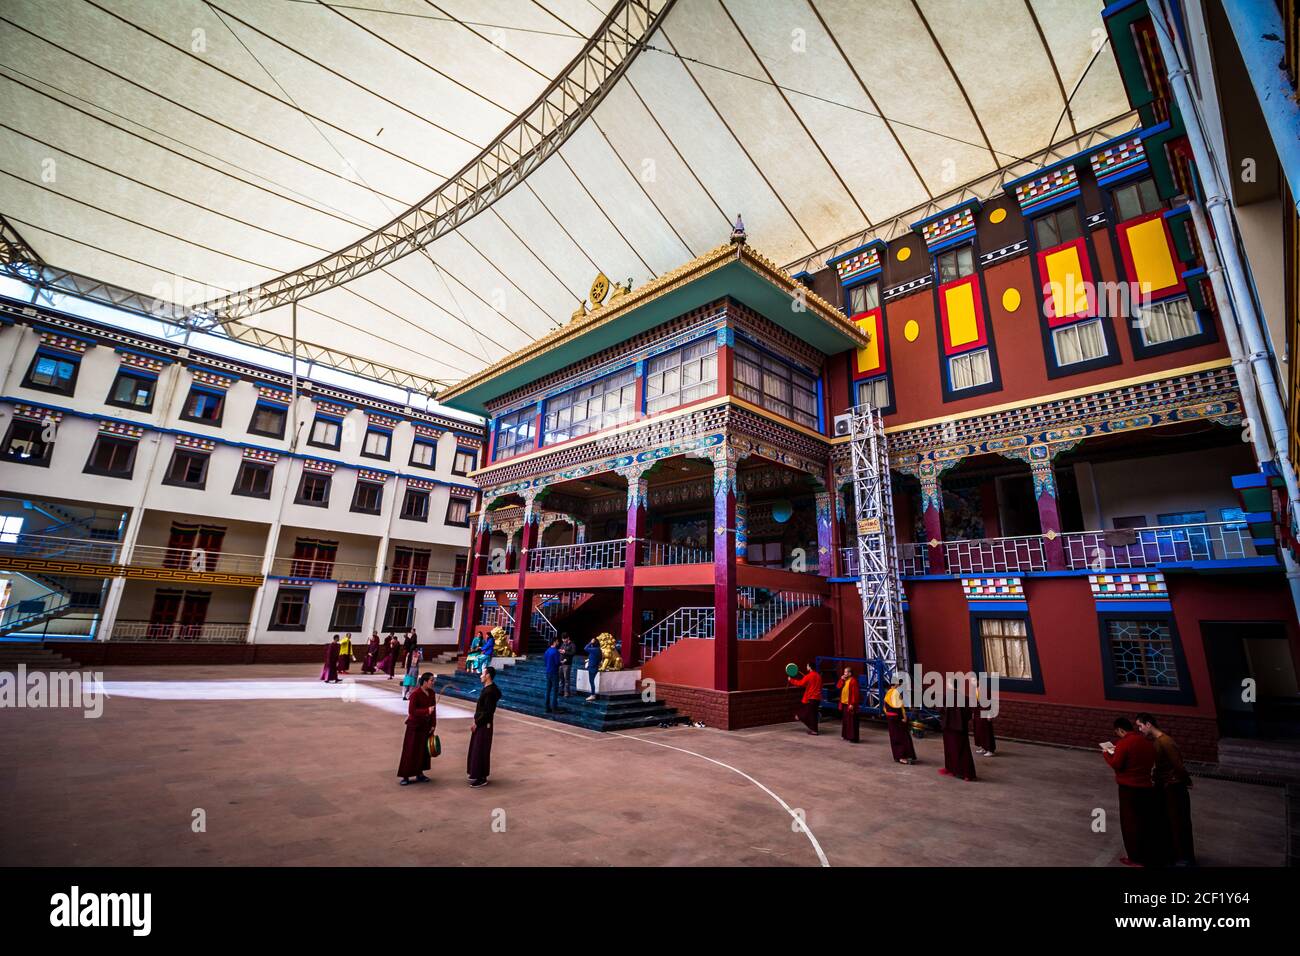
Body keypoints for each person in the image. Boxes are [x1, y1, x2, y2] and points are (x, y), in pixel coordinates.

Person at [1137, 713, 1194, 866]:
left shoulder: (1165, 742)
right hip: (1165, 785)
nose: (1140, 729)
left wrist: (1186, 780)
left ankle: (1183, 857)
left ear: (1148, 724)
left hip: (1173, 786)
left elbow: (1178, 765)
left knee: (1178, 821)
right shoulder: (1158, 742)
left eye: (1140, 726)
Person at [1102, 716, 1159, 867]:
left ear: (1120, 730)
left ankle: (1135, 857)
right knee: (1144, 822)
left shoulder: (1124, 743)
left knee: (1130, 823)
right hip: (1146, 786)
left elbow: (1117, 764)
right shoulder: (1146, 743)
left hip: (1129, 788)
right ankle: (1149, 854)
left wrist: (1107, 753)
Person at [397, 673, 435, 786]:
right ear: (424, 681)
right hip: (414, 727)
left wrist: (433, 724)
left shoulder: (432, 693)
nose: (433, 683)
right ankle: (405, 775)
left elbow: (434, 710)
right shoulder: (415, 694)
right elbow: (412, 711)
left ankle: (420, 773)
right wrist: (426, 711)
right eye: (431, 680)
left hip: (426, 726)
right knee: (411, 750)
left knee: (423, 751)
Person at [467, 666, 502, 788]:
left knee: (481, 750)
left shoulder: (490, 692)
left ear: (488, 676)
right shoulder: (487, 689)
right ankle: (476, 773)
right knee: (477, 749)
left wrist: (477, 723)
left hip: (484, 725)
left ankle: (481, 777)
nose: (480, 676)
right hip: (481, 723)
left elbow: (488, 712)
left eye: (482, 674)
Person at [938, 677, 976, 781]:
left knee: (950, 749)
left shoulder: (946, 697)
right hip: (961, 728)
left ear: (950, 685)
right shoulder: (965, 698)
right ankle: (967, 773)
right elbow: (969, 714)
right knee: (963, 750)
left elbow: (940, 710)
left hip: (949, 728)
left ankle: (952, 769)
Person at [882, 681, 916, 764]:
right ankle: (902, 756)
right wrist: (903, 718)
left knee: (895, 737)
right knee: (902, 737)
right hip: (897, 719)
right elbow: (899, 708)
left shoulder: (889, 692)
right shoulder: (895, 693)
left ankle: (898, 756)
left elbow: (885, 708)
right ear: (897, 684)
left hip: (891, 718)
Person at [788, 662, 822, 735]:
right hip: (817, 698)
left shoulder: (809, 676)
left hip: (811, 698)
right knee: (814, 715)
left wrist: (791, 680)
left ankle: (813, 729)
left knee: (805, 714)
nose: (806, 667)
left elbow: (800, 683)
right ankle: (814, 730)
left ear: (809, 667)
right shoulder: (818, 676)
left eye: (807, 666)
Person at [971, 678, 996, 757]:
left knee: (986, 730)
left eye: (974, 681)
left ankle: (990, 749)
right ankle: (983, 747)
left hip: (985, 711)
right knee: (979, 730)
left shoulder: (986, 690)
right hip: (977, 712)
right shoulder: (975, 689)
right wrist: (973, 712)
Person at [835, 666, 860, 742]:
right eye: (844, 672)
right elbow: (838, 687)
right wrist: (841, 679)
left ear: (850, 673)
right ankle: (846, 736)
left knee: (851, 722)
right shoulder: (845, 680)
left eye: (846, 672)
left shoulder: (853, 681)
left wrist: (852, 704)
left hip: (850, 704)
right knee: (846, 721)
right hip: (844, 703)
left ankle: (853, 738)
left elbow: (855, 694)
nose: (844, 673)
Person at [543, 638, 561, 713]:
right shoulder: (555, 651)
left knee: (548, 690)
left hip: (548, 672)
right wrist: (562, 662)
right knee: (555, 691)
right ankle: (554, 708)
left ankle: (547, 707)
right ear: (554, 642)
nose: (558, 642)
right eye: (557, 641)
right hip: (554, 673)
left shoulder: (547, 651)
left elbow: (545, 661)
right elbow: (557, 663)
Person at [583, 636, 601, 702]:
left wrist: (590, 642)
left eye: (592, 641)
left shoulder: (595, 649)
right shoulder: (598, 649)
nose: (591, 642)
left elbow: (585, 648)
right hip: (594, 667)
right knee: (591, 681)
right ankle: (592, 694)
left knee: (591, 681)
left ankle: (593, 695)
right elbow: (598, 659)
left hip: (593, 668)